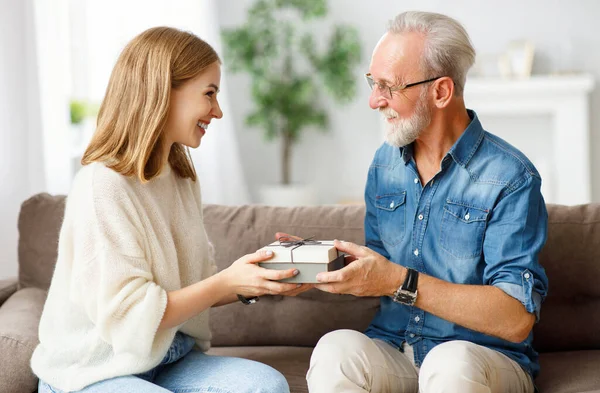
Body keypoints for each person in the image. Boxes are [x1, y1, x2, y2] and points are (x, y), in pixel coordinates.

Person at [31, 26, 308, 393]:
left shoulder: (180, 178)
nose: (218, 111)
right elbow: (130, 316)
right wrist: (225, 282)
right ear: (163, 91)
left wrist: (258, 278)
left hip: (167, 359)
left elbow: (196, 287)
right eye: (209, 94)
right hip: (94, 369)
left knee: (265, 386)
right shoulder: (102, 185)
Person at [305, 11, 549, 393]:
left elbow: (516, 317)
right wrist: (318, 267)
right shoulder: (384, 165)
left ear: (440, 92)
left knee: (449, 363)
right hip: (395, 348)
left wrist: (399, 281)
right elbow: (379, 267)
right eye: (373, 82)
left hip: (481, 359)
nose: (373, 100)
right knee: (335, 349)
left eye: (389, 86)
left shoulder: (511, 177)